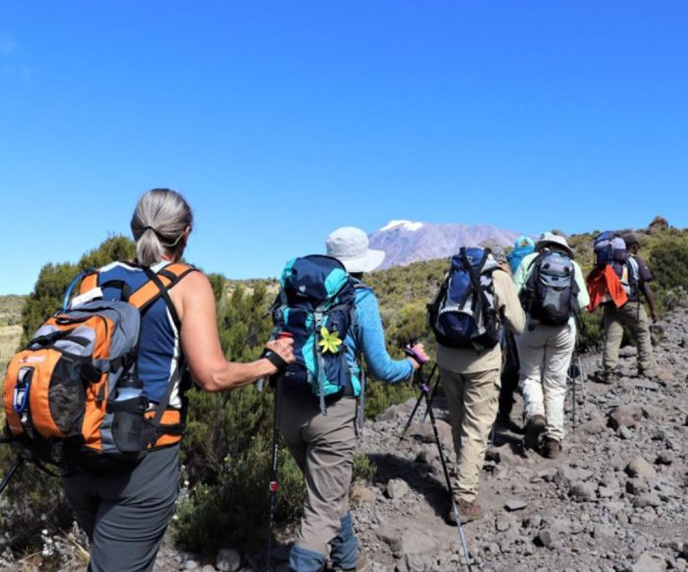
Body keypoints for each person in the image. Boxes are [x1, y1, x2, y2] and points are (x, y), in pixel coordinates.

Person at [61, 188, 295, 572]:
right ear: (185, 233)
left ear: (135, 227)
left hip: (77, 449)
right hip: (140, 455)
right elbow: (212, 375)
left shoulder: (90, 281)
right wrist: (268, 363)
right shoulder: (188, 283)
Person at [281, 226, 422, 572]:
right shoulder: (361, 298)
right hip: (333, 412)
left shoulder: (293, 290)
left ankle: (347, 559)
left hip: (287, 404)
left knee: (328, 493)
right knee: (320, 511)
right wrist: (412, 363)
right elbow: (382, 369)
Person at [436, 245, 525, 524]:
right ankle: (463, 498)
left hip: (447, 357)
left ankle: (464, 475)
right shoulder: (498, 277)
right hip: (482, 362)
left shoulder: (453, 274)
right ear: (498, 260)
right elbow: (518, 325)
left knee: (459, 421)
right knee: (476, 427)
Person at [512, 232, 589, 459]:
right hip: (564, 330)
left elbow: (515, 294)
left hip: (531, 327)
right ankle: (553, 439)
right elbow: (584, 303)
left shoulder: (530, 261)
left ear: (542, 246)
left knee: (530, 376)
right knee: (556, 384)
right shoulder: (573, 265)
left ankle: (535, 413)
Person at [600, 232, 658, 381]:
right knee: (642, 334)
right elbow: (645, 287)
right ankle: (645, 368)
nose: (638, 250)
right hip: (631, 304)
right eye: (637, 246)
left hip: (611, 305)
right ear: (633, 246)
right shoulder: (636, 260)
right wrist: (653, 309)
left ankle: (609, 372)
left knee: (612, 339)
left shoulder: (609, 261)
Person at [496, 236, 534, 430]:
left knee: (512, 364)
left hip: (514, 319)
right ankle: (534, 413)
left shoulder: (509, 260)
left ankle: (504, 410)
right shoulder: (538, 259)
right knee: (534, 368)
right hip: (539, 321)